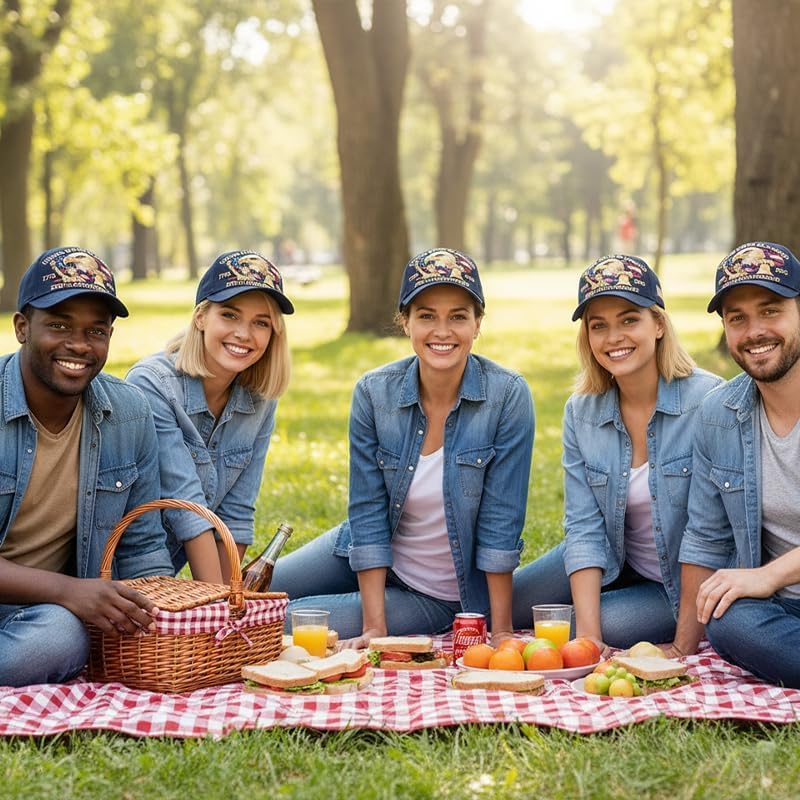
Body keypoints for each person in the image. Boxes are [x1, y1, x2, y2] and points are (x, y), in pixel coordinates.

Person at [271, 248, 534, 646]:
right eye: (426, 316)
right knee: (248, 597)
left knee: (281, 620)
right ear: (405, 322)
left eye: (458, 317)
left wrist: (499, 631)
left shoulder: (507, 396)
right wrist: (374, 626)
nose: (442, 331)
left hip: (434, 592)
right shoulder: (374, 393)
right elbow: (367, 511)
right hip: (360, 548)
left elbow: (501, 522)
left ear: (477, 324)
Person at [511, 255, 722, 654]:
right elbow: (584, 528)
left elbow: (707, 536)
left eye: (629, 320)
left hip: (678, 584)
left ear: (658, 324)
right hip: (616, 554)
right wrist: (590, 640)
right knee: (507, 607)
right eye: (599, 325)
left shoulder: (708, 401)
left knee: (569, 624)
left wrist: (681, 646)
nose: (614, 338)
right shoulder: (582, 411)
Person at [0, 247, 173, 687]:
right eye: (59, 325)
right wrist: (69, 591)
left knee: (58, 638)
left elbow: (142, 546)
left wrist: (165, 622)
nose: (79, 345)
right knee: (62, 636)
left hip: (44, 618)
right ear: (22, 327)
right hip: (59, 602)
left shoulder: (129, 413)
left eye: (96, 330)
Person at [126, 250, 293, 584]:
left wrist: (230, 596)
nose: (244, 334)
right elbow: (186, 505)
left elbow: (237, 511)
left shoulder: (260, 400)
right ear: (201, 317)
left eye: (261, 322)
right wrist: (216, 602)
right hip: (120, 570)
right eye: (229, 315)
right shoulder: (153, 384)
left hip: (169, 578)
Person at [676, 242, 800, 687]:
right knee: (727, 619)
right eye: (737, 318)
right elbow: (705, 538)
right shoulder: (718, 414)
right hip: (782, 609)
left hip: (773, 584)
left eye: (770, 311)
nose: (754, 332)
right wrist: (681, 651)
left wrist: (767, 576)